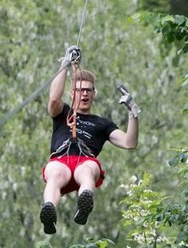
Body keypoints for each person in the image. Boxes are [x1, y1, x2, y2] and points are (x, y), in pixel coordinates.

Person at [40, 46, 140, 234]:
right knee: (54, 173)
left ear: (94, 94)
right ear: (72, 94)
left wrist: (132, 113)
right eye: (80, 91)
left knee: (87, 169)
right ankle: (49, 211)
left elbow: (129, 143)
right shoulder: (62, 113)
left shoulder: (102, 124)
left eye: (88, 91)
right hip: (61, 159)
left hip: (84, 161)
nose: (84, 94)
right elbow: (54, 99)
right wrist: (65, 64)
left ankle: (84, 202)